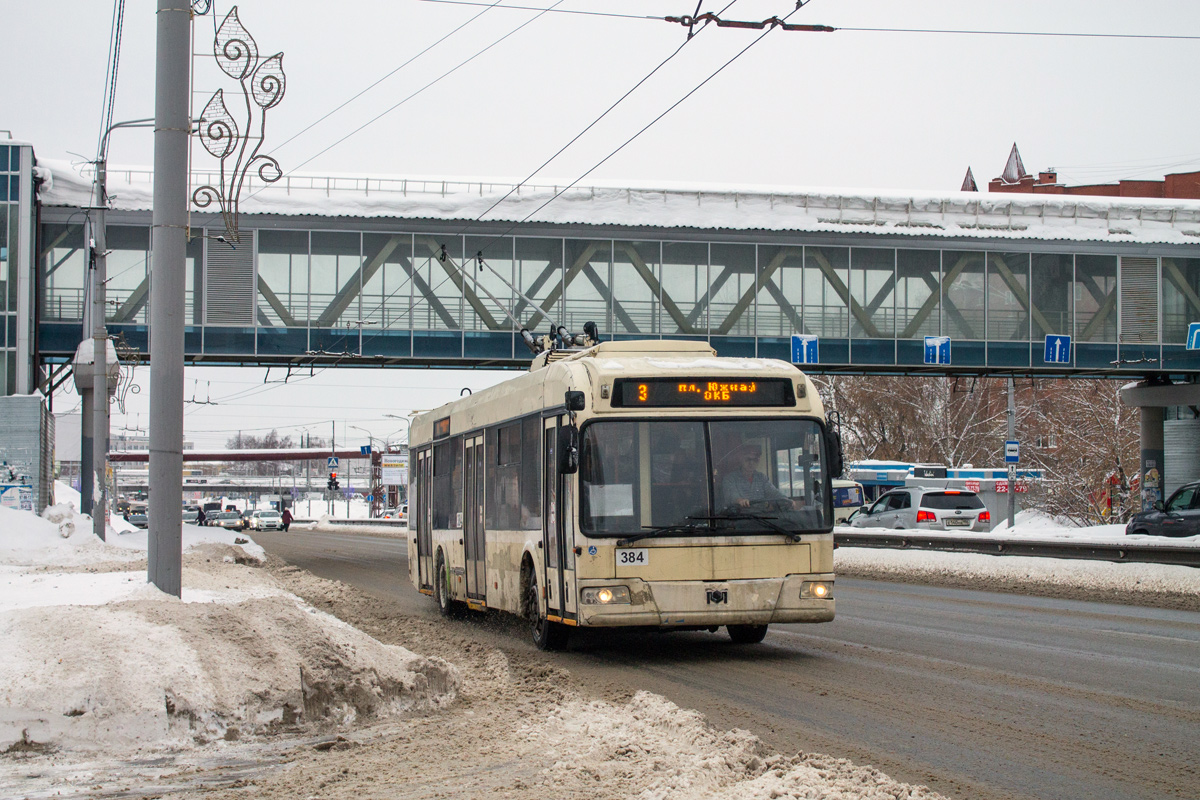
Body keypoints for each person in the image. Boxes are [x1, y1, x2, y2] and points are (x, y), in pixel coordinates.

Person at [720, 444, 798, 511]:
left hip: (761, 518)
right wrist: (740, 501)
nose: (751, 463)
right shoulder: (730, 479)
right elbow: (731, 496)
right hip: (740, 520)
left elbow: (774, 493)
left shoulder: (762, 478)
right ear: (741, 459)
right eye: (748, 459)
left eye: (755, 460)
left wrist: (787, 500)